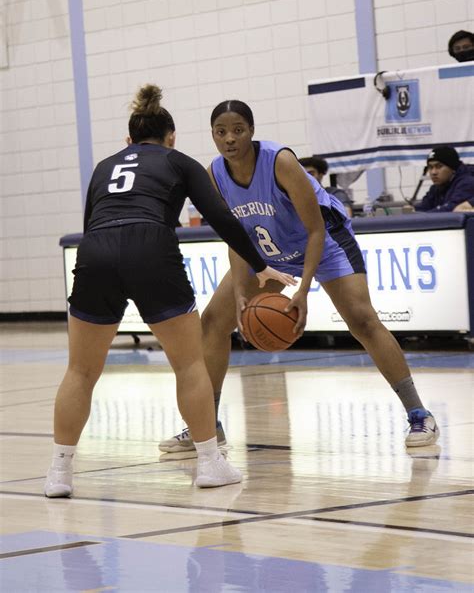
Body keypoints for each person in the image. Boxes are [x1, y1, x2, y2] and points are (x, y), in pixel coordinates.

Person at [44, 86, 295, 497]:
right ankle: (211, 464)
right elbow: (221, 218)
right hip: (150, 246)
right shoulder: (178, 161)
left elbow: (92, 220)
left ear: (129, 140)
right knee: (189, 363)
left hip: (96, 250)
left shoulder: (105, 166)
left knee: (81, 371)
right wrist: (260, 263)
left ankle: (59, 473)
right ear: (171, 137)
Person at [159, 99, 439, 455]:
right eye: (221, 132)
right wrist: (243, 291)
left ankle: (419, 413)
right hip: (271, 251)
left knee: (362, 320)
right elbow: (234, 235)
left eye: (238, 130)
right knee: (214, 321)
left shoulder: (281, 162)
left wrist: (303, 290)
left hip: (324, 242)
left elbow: (316, 231)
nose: (230, 139)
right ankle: (208, 426)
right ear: (212, 135)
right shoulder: (214, 174)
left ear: (252, 131)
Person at [414, 146, 474, 213]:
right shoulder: (436, 187)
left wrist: (421, 216)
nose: (433, 172)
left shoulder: (467, 183)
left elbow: (450, 210)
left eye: (439, 166)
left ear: (452, 168)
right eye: (430, 167)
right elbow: (423, 207)